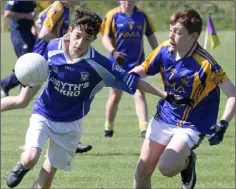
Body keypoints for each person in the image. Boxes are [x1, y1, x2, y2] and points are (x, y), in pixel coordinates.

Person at [6, 8, 191, 189]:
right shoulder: (54, 47)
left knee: (46, 179)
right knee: (30, 157)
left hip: (70, 124)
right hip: (44, 114)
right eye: (77, 36)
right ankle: (22, 167)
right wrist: (23, 73)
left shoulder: (100, 65)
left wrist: (165, 95)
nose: (79, 43)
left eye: (87, 39)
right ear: (70, 31)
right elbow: (36, 68)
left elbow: (133, 81)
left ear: (94, 40)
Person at [132, 9, 236, 189]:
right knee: (142, 172)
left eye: (178, 32)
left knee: (167, 167)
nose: (171, 35)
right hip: (164, 117)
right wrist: (134, 73)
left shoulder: (206, 64)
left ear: (193, 36)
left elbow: (232, 94)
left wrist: (223, 124)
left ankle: (188, 162)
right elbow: (142, 69)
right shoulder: (164, 49)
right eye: (171, 29)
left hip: (191, 125)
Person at [1, 1, 92, 154]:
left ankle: (72, 141)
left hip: (49, 59)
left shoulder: (60, 7)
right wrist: (65, 44)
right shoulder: (58, 7)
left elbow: (39, 21)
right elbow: (44, 33)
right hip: (42, 61)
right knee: (22, 101)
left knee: (65, 96)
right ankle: (44, 141)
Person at [100, 0, 158, 138]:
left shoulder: (142, 16)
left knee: (139, 92)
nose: (128, 1)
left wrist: (158, 53)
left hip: (137, 64)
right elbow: (105, 38)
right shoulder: (112, 15)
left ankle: (144, 128)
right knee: (115, 95)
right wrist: (113, 52)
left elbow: (151, 36)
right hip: (117, 64)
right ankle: (108, 127)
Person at [1, 0, 36, 97]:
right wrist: (26, 16)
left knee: (33, 63)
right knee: (26, 64)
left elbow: (31, 14)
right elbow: (7, 13)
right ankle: (7, 85)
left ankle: (6, 84)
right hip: (18, 34)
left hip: (29, 34)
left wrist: (33, 26)